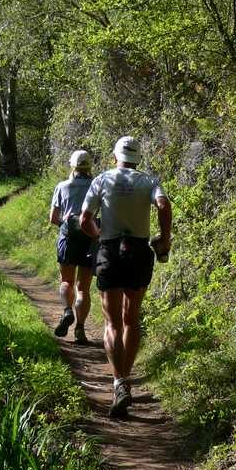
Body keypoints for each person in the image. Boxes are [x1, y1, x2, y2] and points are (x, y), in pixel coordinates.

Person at [80, 136, 172, 417]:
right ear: (138, 158)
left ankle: (118, 381)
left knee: (112, 322)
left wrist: (99, 238)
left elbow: (85, 219)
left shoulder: (101, 180)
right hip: (139, 252)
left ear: (115, 157)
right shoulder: (148, 181)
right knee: (132, 319)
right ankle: (126, 380)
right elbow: (164, 205)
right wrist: (165, 240)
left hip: (110, 249)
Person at [50, 150, 95, 344]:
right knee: (83, 288)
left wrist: (66, 225)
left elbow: (53, 218)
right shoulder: (96, 186)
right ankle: (80, 330)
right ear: (89, 166)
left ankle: (67, 311)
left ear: (73, 166)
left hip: (68, 240)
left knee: (66, 281)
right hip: (90, 239)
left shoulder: (62, 186)